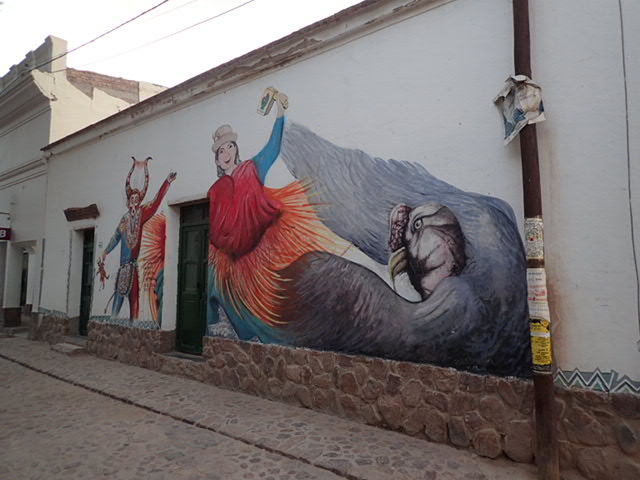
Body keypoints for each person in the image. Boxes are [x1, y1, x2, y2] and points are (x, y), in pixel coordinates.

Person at [206, 91, 340, 342]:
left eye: (230, 146)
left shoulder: (251, 169)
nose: (226, 153)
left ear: (236, 149)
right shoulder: (216, 190)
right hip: (230, 255)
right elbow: (215, 228)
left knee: (275, 296)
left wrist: (280, 113)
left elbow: (272, 148)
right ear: (217, 159)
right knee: (218, 288)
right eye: (221, 150)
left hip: (259, 248)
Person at [101, 157, 176, 320]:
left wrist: (166, 183)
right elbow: (115, 237)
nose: (134, 201)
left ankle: (134, 324)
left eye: (137, 199)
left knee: (134, 297)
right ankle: (113, 321)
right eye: (132, 199)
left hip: (133, 266)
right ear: (128, 201)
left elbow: (155, 203)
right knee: (119, 295)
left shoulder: (142, 214)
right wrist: (105, 252)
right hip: (122, 267)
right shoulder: (124, 220)